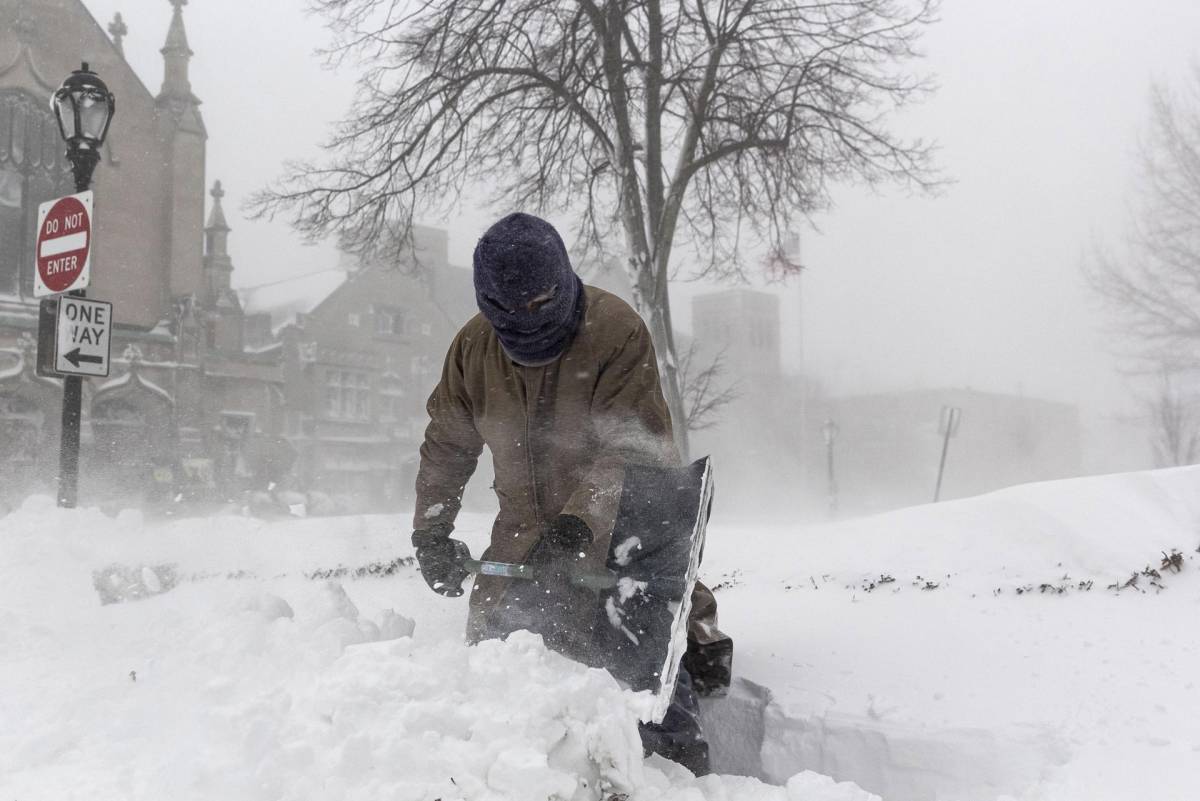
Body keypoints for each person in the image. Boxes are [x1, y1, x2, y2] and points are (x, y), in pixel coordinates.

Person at [410, 212, 730, 775]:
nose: (528, 320)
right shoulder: (472, 350)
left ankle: (682, 776)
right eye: (513, 311)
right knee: (503, 690)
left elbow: (637, 450)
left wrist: (580, 522)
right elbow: (447, 444)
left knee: (651, 703)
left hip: (617, 542)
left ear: (562, 280)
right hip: (521, 549)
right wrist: (431, 532)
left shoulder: (615, 332)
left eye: (540, 303)